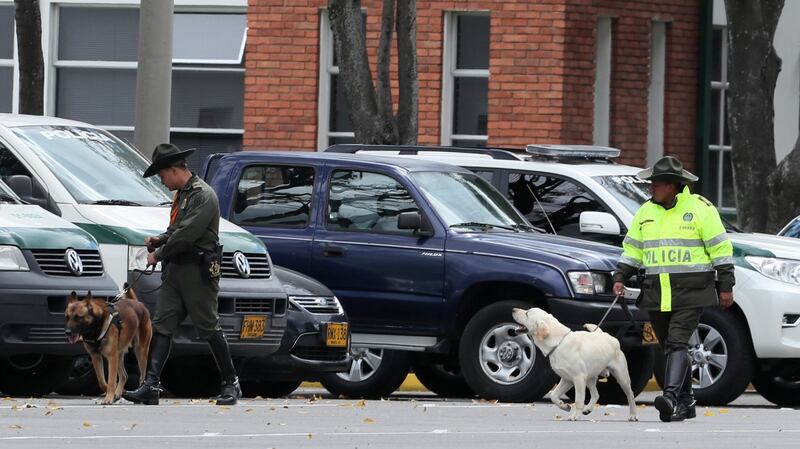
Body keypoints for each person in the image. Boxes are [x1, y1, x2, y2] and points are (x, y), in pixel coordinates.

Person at [611, 156, 734, 423]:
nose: (651, 188)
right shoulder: (645, 212)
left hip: (692, 292)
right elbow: (633, 250)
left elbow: (721, 251)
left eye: (656, 183)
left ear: (672, 185)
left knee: (678, 342)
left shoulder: (701, 209)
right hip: (657, 292)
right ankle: (686, 403)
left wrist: (726, 286)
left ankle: (669, 398)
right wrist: (621, 275)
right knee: (670, 346)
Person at [123, 143, 241, 406]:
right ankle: (151, 385)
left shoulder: (203, 195)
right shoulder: (183, 195)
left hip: (197, 272)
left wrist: (157, 254)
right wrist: (160, 239)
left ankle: (231, 382)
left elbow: (187, 235)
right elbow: (176, 229)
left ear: (174, 170)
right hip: (176, 271)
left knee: (208, 326)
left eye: (162, 176)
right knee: (162, 325)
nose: (162, 182)